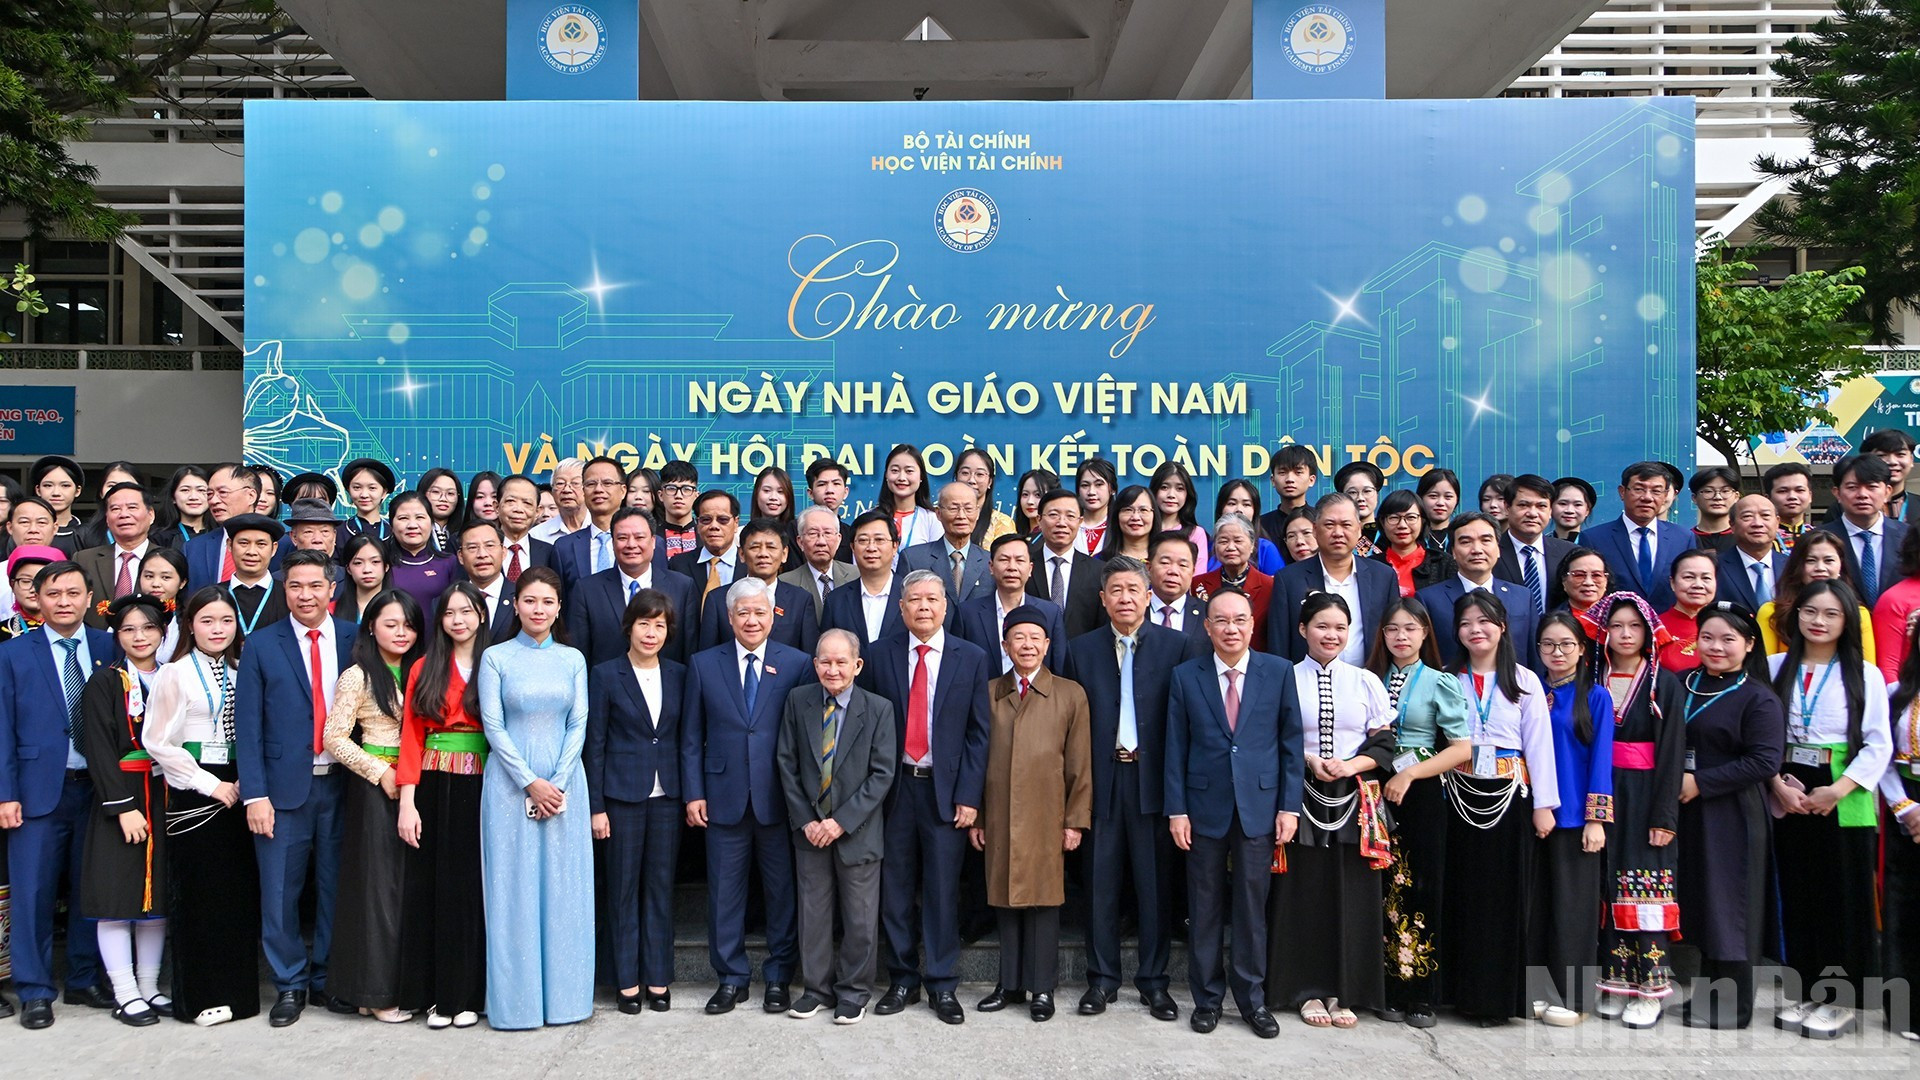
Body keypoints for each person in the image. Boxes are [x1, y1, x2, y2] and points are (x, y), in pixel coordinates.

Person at [1165, 588, 1302, 1039]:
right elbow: (1175, 749)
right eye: (1220, 620)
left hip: (1260, 807)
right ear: (1207, 626)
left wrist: (1288, 806)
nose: (1230, 628)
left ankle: (1252, 1000)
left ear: (1251, 624)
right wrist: (1177, 810)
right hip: (1203, 809)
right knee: (1203, 909)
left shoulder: (1278, 672)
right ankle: (1206, 1000)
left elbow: (1289, 745)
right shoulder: (1186, 676)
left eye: (1239, 620)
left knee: (1250, 908)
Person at [862, 570, 992, 1026]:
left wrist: (970, 796)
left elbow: (980, 733)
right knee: (895, 890)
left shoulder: (971, 657)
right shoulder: (878, 656)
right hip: (894, 789)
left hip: (946, 791)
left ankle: (941, 982)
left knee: (941, 890)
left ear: (944, 606)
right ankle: (902, 978)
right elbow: (866, 730)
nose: (923, 607)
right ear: (901, 608)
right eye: (914, 599)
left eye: (932, 599)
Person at [681, 577, 815, 1015]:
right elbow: (690, 736)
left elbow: (802, 737)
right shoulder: (704, 663)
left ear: (773, 615)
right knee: (725, 892)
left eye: (760, 612)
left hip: (780, 799)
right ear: (729, 617)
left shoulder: (796, 663)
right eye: (743, 612)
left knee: (781, 892)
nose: (752, 620)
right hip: (722, 796)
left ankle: (778, 977)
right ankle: (731, 978)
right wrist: (694, 792)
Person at [1066, 556, 1192, 1021]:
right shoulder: (1081, 650)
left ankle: (1155, 983)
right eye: (1115, 590)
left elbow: (1182, 724)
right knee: (1100, 885)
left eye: (1132, 590)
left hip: (1152, 781)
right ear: (1103, 598)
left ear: (1147, 596)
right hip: (1101, 780)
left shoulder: (1177, 647)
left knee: (1153, 885)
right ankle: (1101, 980)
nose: (1124, 598)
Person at [234, 549, 355, 1026]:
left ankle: (328, 978)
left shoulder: (354, 638)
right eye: (294, 587)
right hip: (282, 793)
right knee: (280, 893)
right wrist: (255, 795)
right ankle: (290, 983)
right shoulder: (262, 644)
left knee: (335, 888)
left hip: (344, 785)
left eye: (314, 586)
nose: (305, 595)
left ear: (332, 590)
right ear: (284, 592)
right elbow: (248, 726)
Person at [1767, 578, 1891, 1040]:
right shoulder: (1776, 666)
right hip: (1789, 786)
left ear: (1847, 622)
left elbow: (1879, 742)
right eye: (1810, 612)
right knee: (1799, 894)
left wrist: (1837, 789)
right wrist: (1776, 785)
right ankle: (1805, 988)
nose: (1819, 622)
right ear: (1796, 616)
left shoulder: (1865, 673)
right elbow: (1761, 734)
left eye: (1831, 614)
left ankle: (1840, 1000)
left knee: (1844, 894)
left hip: (1842, 789)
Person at [1268, 593, 1394, 1030]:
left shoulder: (1365, 681)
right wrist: (1310, 760)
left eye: (1340, 627)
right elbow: (1274, 736)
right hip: (1299, 795)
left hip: (1356, 798)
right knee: (1305, 894)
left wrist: (1349, 765)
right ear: (1303, 630)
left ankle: (1345, 989)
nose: (1332, 635)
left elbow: (1384, 744)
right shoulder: (1283, 676)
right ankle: (1305, 990)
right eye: (1322, 626)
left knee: (1352, 894)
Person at [477, 566, 593, 1029]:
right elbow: (493, 724)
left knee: (565, 890)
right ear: (516, 605)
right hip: (509, 784)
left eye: (547, 602)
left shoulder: (572, 659)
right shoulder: (496, 657)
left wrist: (558, 782)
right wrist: (530, 782)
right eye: (529, 601)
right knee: (513, 891)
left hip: (566, 785)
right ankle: (517, 1005)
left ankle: (567, 1002)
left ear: (558, 607)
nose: (538, 609)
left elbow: (578, 721)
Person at [0, 558, 113, 1028]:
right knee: (34, 893)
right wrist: (6, 794)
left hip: (101, 790)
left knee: (93, 890)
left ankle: (85, 978)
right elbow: (2, 728)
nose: (63, 602)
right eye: (53, 594)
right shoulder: (13, 653)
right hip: (36, 792)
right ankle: (35, 988)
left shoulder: (111, 646)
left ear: (89, 598)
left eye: (72, 593)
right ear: (36, 601)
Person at [142, 586, 261, 1025]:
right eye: (207, 621)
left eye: (226, 621)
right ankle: (199, 997)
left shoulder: (239, 667)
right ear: (190, 624)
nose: (217, 629)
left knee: (237, 896)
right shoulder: (175, 673)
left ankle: (238, 995)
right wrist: (210, 784)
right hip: (197, 790)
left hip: (239, 785)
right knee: (200, 897)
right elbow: (157, 741)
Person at [1443, 591, 1558, 1025]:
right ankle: (1457, 993)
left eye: (1485, 621)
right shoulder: (1446, 678)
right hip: (1457, 793)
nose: (1477, 629)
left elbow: (1540, 747)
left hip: (1509, 797)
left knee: (1503, 899)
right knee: (1462, 893)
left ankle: (1497, 1000)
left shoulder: (1525, 681)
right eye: (1467, 622)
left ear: (1502, 627)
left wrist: (1544, 804)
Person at [972, 606, 1090, 1022]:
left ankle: (1042, 989)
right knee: (1004, 898)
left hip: (1047, 813)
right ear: (1005, 645)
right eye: (1017, 637)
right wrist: (980, 816)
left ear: (1047, 644)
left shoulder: (1069, 693)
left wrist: (1075, 820)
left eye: (1034, 638)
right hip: (1000, 811)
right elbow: (976, 759)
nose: (1026, 645)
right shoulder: (988, 692)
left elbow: (1079, 764)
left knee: (1043, 900)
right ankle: (1009, 984)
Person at [776, 628, 896, 1024]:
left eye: (841, 661)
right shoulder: (798, 701)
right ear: (814, 665)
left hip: (857, 832)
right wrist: (808, 821)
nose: (833, 669)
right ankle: (816, 990)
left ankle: (854, 992)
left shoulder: (879, 709)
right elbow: (786, 763)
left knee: (861, 917)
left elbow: (881, 775)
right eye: (825, 661)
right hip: (809, 831)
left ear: (857, 665)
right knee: (814, 914)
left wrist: (840, 822)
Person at [1675, 603, 1784, 1030]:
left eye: (1728, 640)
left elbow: (1764, 761)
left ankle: (1734, 1007)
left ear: (1749, 644)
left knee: (1732, 904)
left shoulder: (1758, 696)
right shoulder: (1681, 683)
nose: (1716, 647)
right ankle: (1706, 996)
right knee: (1703, 902)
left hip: (1732, 811)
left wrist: (1701, 782)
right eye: (1707, 637)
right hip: (1688, 810)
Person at [1368, 598, 1471, 1028]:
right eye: (1392, 629)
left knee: (1421, 887)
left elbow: (1462, 748)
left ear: (1425, 633)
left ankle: (1421, 994)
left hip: (1421, 792)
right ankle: (1385, 986)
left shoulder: (1439, 681)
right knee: (1381, 888)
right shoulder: (1369, 679)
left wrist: (1409, 775)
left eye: (1410, 628)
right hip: (1372, 791)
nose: (1401, 637)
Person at [321, 588, 424, 1022]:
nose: (401, 633)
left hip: (416, 787)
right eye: (391, 624)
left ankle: (387, 988)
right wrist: (378, 772)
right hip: (375, 789)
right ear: (370, 627)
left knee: (405, 892)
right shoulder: (358, 675)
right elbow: (334, 738)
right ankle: (375, 994)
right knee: (377, 894)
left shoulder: (422, 669)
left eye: (408, 625)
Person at [395, 582, 492, 1029]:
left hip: (484, 784)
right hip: (433, 784)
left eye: (467, 612)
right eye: (450, 613)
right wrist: (407, 804)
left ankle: (470, 994)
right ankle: (436, 997)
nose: (458, 620)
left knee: (473, 890)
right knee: (433, 889)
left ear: (481, 615)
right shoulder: (423, 667)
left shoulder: (496, 662)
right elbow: (411, 738)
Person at [586, 589, 687, 1015]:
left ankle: (658, 977)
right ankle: (626, 980)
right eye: (644, 623)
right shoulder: (606, 674)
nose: (652, 632)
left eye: (660, 625)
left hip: (668, 798)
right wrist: (596, 807)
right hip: (620, 797)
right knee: (623, 891)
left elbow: (685, 737)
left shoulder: (681, 673)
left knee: (660, 890)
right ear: (629, 626)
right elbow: (595, 744)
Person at [1588, 592, 1685, 1028]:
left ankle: (1652, 987)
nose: (1624, 635)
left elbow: (1672, 752)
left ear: (1648, 632)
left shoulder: (1664, 682)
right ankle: (1616, 981)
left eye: (1634, 626)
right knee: (1608, 885)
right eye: (1616, 626)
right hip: (1603, 791)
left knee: (1644, 891)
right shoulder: (1592, 676)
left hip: (1647, 794)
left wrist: (1664, 816)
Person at [78, 593, 171, 1027]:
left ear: (163, 632)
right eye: (129, 629)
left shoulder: (172, 677)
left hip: (166, 792)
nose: (139, 636)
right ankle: (125, 990)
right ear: (117, 635)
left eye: (148, 628)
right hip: (123, 795)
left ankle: (150, 985)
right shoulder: (105, 681)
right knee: (118, 896)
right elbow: (96, 746)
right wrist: (122, 806)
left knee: (156, 898)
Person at [1529, 611, 1614, 1027]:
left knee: (1573, 910)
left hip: (1575, 818)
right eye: (1548, 644)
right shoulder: (1528, 690)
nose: (1557, 652)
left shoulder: (1595, 696)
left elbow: (1601, 761)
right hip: (1531, 813)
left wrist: (1596, 819)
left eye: (1566, 644)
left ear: (1582, 650)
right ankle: (1537, 990)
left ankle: (1573, 996)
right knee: (1537, 905)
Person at [1271, 494, 1398, 663]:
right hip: (1307, 684)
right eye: (1329, 525)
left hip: (1370, 682)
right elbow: (1278, 644)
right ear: (1315, 530)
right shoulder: (1289, 580)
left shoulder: (1383, 576)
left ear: (1359, 529)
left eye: (1346, 525)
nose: (1338, 533)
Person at [569, 508, 696, 668]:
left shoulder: (682, 587)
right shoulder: (587, 590)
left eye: (639, 537)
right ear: (613, 543)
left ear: (653, 541)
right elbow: (579, 655)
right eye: (622, 538)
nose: (631, 544)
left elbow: (689, 649)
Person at [1416, 513, 1539, 670]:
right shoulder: (1429, 599)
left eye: (1486, 540)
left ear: (1498, 549)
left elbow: (1534, 656)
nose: (1477, 550)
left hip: (1514, 689)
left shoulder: (1522, 596)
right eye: (1466, 542)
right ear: (1453, 551)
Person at [1879, 616, 1920, 1041]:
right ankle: (1905, 1010)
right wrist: (1905, 807)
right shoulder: (1896, 694)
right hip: (1905, 806)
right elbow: (1886, 757)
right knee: (1903, 910)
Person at [695, 518, 818, 653]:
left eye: (771, 547)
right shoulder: (718, 599)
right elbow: (707, 658)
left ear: (784, 554)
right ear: (741, 554)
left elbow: (809, 657)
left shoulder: (801, 601)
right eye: (754, 547)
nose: (763, 554)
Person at [955, 533, 1068, 676]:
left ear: (1030, 568)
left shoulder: (1050, 613)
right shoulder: (967, 614)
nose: (1012, 567)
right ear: (991, 567)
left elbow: (1059, 667)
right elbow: (959, 668)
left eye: (1020, 560)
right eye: (1004, 560)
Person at [1758, 531, 1877, 661]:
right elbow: (1762, 672)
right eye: (1811, 560)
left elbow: (1865, 669)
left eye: (1828, 560)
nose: (1820, 568)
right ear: (1798, 566)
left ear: (1840, 565)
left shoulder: (1858, 613)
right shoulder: (1772, 612)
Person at [1818, 454, 1910, 610]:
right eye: (1852, 487)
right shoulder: (1818, 539)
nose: (1862, 494)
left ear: (1887, 492)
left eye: (1871, 487)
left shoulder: (1909, 537)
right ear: (1837, 493)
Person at [899, 482, 993, 609]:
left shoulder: (990, 562)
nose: (961, 516)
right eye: (953, 508)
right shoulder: (913, 559)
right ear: (938, 513)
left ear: (977, 513)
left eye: (968, 509)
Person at [1494, 474, 1577, 615]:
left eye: (1541, 506)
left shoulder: (1570, 554)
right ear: (1507, 507)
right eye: (1523, 505)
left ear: (1550, 511)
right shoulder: (1490, 552)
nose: (1532, 513)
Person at [1026, 489, 1103, 639]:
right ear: (1039, 520)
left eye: (1070, 516)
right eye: (1054, 515)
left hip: (1081, 657)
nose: (1062, 523)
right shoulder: (1024, 566)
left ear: (1080, 522)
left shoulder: (1098, 571)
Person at [76, 482, 159, 622]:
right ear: (107, 518)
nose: (124, 514)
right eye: (115, 509)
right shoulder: (84, 559)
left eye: (132, 507)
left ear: (150, 515)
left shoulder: (166, 559)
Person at [823, 511, 903, 644]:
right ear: (852, 547)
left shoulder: (911, 595)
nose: (871, 547)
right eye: (863, 540)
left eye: (879, 540)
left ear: (895, 546)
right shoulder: (836, 600)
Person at [1194, 515, 1274, 648]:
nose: (1230, 547)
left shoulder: (1270, 586)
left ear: (1252, 546)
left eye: (1238, 541)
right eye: (1223, 541)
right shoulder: (1197, 584)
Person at [182, 464, 260, 595]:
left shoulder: (282, 545)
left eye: (222, 492)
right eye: (210, 494)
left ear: (250, 496)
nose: (213, 501)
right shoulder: (193, 548)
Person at [551, 456, 627, 590]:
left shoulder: (647, 542)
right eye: (591, 484)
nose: (598, 489)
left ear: (623, 490)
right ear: (584, 491)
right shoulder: (564, 547)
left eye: (607, 483)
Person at [668, 489, 742, 618]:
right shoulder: (678, 565)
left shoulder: (750, 564)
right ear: (697, 524)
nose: (714, 526)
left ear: (736, 523)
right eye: (706, 520)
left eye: (723, 520)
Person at [781, 505, 856, 621]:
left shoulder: (857, 576)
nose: (821, 541)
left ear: (838, 539)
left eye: (827, 533)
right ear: (800, 542)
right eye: (813, 533)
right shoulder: (785, 583)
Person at [1373, 489, 1453, 598]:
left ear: (1423, 521)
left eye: (1411, 518)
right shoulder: (1370, 566)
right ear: (1382, 522)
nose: (1402, 525)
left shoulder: (1444, 563)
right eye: (1394, 518)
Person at [386, 491, 457, 611]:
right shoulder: (383, 565)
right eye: (403, 518)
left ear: (431, 523)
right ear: (391, 526)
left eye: (420, 517)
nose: (412, 525)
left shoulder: (450, 562)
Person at [1717, 494, 1788, 614]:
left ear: (1777, 523)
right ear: (1732, 525)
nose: (1757, 523)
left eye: (1765, 516)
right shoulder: (1716, 567)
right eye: (1747, 516)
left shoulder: (1792, 566)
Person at [222, 513, 289, 636]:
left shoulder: (289, 595)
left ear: (274, 549)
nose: (251, 552)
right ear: (229, 545)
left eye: (261, 544)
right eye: (243, 543)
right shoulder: (213, 595)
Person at [452, 519, 517, 641]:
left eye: (490, 546)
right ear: (460, 556)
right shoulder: (446, 602)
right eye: (472, 547)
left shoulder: (521, 597)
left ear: (503, 552)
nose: (482, 554)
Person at [1657, 549, 1718, 672]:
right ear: (1672, 583)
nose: (1698, 585)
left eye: (1706, 578)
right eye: (1689, 577)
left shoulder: (1727, 627)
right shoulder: (1656, 627)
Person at [1146, 530, 1208, 647]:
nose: (1173, 571)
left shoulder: (1207, 614)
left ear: (1193, 571)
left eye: (1182, 565)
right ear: (1149, 567)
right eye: (1165, 562)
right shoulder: (1133, 609)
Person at [878, 444, 942, 551]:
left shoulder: (933, 520)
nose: (901, 478)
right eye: (895, 470)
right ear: (886, 475)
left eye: (909, 471)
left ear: (921, 476)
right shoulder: (869, 517)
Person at [1214, 480, 1285, 574]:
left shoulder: (1265, 548)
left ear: (1255, 512)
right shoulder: (1207, 546)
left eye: (1246, 504)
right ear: (1221, 509)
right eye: (1232, 503)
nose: (1239, 510)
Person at [494, 474, 556, 583]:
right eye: (511, 501)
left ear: (537, 512)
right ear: (496, 507)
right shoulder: (483, 550)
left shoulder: (550, 553)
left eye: (527, 503)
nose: (518, 509)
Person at [1149, 460, 1209, 570]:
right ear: (1154, 491)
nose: (1171, 495)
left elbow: (1198, 578)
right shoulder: (1144, 529)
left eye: (1179, 489)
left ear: (1187, 495)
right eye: (1164, 487)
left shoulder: (1196, 533)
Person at [954, 447, 1017, 546]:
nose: (972, 480)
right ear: (956, 477)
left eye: (979, 474)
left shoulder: (1002, 523)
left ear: (990, 482)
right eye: (965, 473)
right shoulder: (941, 519)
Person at [1861, 427, 1920, 522]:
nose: (1892, 462)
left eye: (1900, 454)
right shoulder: (1847, 506)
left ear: (1911, 460)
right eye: (1881, 455)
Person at [31, 455, 86, 554]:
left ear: (78, 491)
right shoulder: (27, 532)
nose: (56, 492)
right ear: (38, 490)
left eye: (65, 485)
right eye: (48, 485)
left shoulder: (89, 533)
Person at [340, 457, 396, 547]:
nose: (364, 495)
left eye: (372, 488)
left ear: (384, 492)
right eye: (357, 487)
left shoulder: (394, 533)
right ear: (348, 490)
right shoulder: (339, 532)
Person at [528, 458, 587, 544]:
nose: (567, 490)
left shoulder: (602, 529)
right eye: (560, 483)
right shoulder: (537, 535)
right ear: (552, 489)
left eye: (575, 483)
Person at [1263, 444, 1320, 531]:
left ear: (1311, 480)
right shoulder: (1261, 526)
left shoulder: (1320, 521)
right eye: (1282, 472)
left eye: (1298, 472)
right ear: (1273, 480)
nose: (1290, 479)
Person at [336, 533, 390, 624]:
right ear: (348, 569)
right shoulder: (331, 609)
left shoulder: (400, 608)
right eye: (358, 563)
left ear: (386, 567)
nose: (367, 570)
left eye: (375, 562)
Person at [1335, 461, 1385, 559]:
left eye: (1367, 491)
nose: (1360, 498)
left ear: (1377, 494)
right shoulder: (1336, 533)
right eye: (1353, 492)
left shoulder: (1388, 532)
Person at [1764, 462, 1816, 552]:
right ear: (1768, 498)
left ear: (1810, 496)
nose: (1792, 496)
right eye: (1783, 491)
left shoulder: (1819, 536)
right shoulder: (1760, 537)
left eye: (1799, 490)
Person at [1096, 484, 1155, 563]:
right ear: (1117, 516)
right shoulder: (1099, 561)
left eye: (1143, 510)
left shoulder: (1163, 558)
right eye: (1128, 510)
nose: (1135, 517)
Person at [656, 461, 702, 559]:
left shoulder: (706, 536)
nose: (678, 496)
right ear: (661, 495)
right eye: (671, 488)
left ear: (696, 496)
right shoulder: (651, 537)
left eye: (686, 489)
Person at [1072, 457, 1117, 556]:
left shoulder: (1120, 525)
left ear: (1112, 489)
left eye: (1099, 484)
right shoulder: (1068, 525)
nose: (1091, 492)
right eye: (1085, 485)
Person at [1688, 467, 1739, 551]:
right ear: (1694, 498)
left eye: (1725, 491)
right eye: (1708, 491)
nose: (1717, 497)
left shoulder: (1744, 538)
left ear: (1736, 496)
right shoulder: (1685, 539)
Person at [417, 468, 465, 554]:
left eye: (450, 493)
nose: (443, 499)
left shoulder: (465, 534)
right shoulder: (413, 532)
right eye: (436, 492)